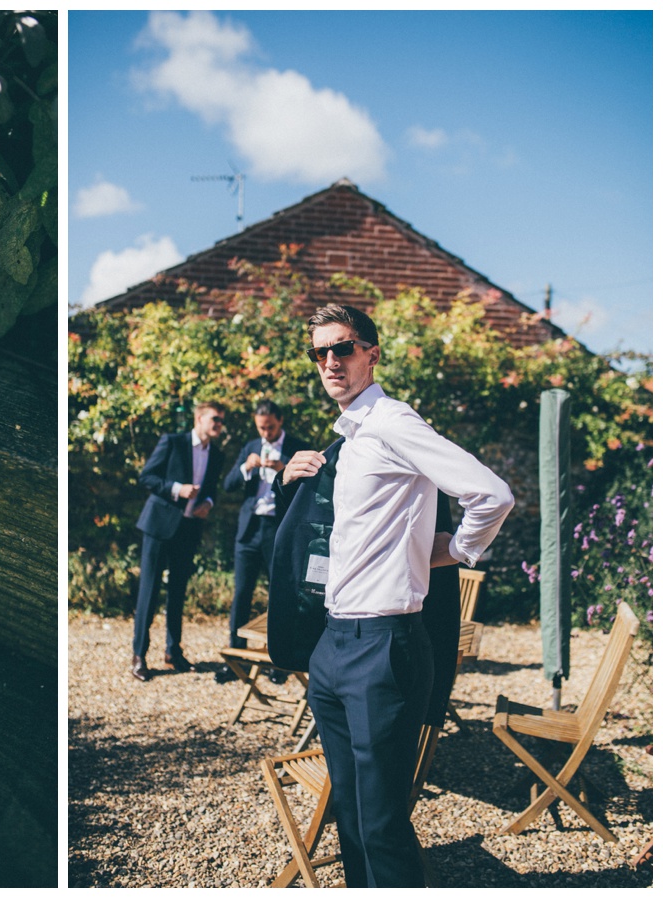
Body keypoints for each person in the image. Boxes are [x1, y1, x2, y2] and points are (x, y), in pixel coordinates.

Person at [282, 304, 513, 887]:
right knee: (352, 814)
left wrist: (458, 551)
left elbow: (491, 494)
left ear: (372, 353)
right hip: (335, 645)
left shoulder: (391, 422)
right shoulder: (352, 434)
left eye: (344, 348)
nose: (331, 361)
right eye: (320, 352)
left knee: (382, 822)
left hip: (383, 647)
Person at [214, 401, 311, 684]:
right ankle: (236, 659)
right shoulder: (250, 446)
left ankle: (278, 661)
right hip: (249, 529)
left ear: (280, 422)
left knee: (279, 594)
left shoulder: (297, 447)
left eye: (270, 427)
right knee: (241, 593)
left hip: (278, 530)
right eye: (261, 428)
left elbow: (311, 490)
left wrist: (286, 470)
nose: (266, 432)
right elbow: (228, 485)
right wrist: (246, 467)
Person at [130, 401, 226, 682]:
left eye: (221, 420)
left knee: (178, 592)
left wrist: (207, 502)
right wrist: (177, 489)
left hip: (188, 528)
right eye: (215, 419)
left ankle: (173, 651)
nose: (219, 424)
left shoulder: (217, 455)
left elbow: (211, 491)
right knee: (148, 592)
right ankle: (139, 656)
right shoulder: (172, 442)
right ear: (199, 418)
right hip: (159, 526)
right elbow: (146, 477)